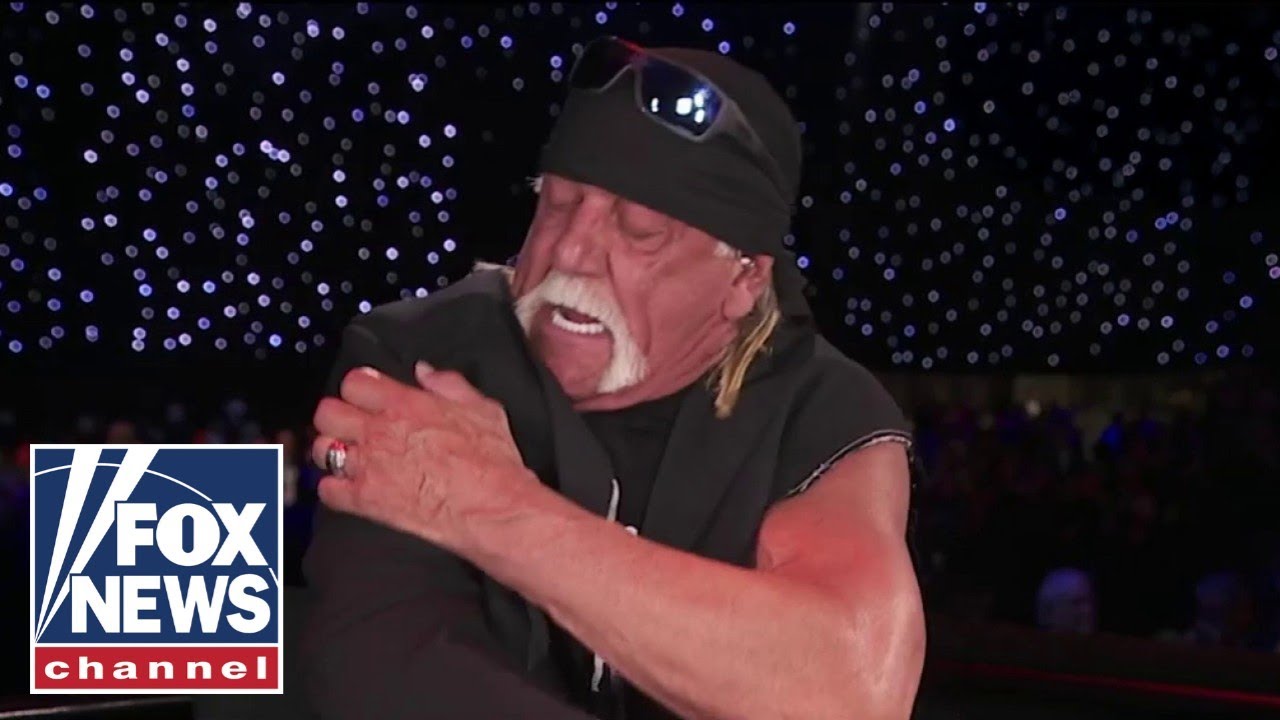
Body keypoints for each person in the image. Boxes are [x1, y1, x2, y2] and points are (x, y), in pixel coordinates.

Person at [300, 36, 925, 720]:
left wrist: (494, 509)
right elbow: (386, 668)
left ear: (744, 279)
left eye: (640, 231)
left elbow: (849, 692)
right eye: (559, 204)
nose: (570, 251)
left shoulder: (820, 410)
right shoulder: (422, 355)